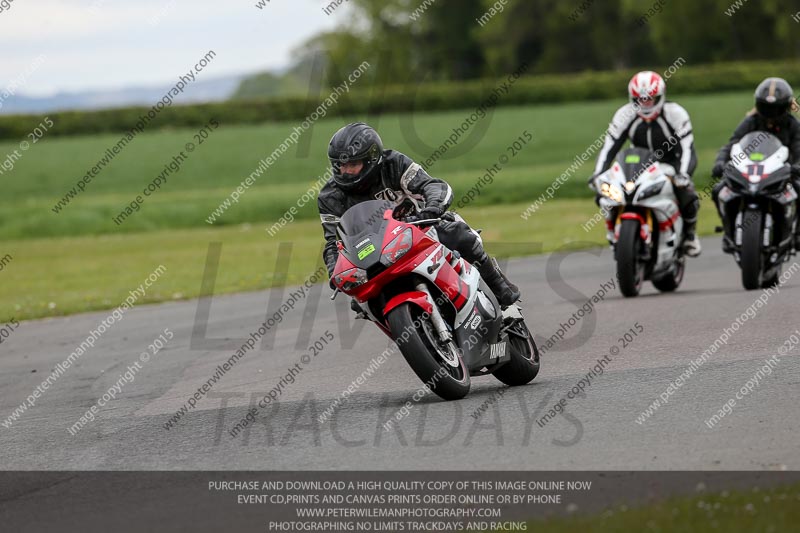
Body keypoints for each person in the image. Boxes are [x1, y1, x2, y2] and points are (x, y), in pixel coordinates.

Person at [318, 122, 520, 307]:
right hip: (374, 253)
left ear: (371, 158)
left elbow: (433, 186)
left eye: (352, 165)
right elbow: (332, 243)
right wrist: (335, 272)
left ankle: (499, 286)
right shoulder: (330, 196)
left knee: (459, 234)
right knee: (360, 303)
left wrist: (432, 209)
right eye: (340, 165)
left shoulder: (393, 164)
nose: (345, 171)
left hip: (420, 229)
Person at [591, 71, 701, 256]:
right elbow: (609, 147)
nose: (645, 104)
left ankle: (689, 235)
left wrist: (683, 174)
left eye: (650, 99)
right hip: (638, 164)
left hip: (670, 164)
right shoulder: (624, 114)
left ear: (660, 96)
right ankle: (613, 232)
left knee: (687, 193)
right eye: (640, 99)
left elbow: (687, 148)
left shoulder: (675, 113)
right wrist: (598, 173)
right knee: (603, 193)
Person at [711, 77, 800, 250]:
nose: (770, 114)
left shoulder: (793, 125)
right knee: (718, 190)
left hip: (783, 174)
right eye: (766, 108)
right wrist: (720, 161)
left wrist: (797, 167)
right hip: (750, 172)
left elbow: (799, 148)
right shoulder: (750, 121)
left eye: (776, 109)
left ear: (786, 107)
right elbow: (731, 144)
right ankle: (728, 232)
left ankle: (797, 233)